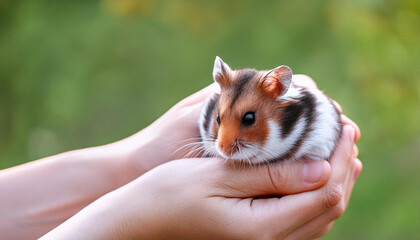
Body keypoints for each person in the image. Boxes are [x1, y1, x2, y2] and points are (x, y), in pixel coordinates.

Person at [0, 75, 361, 240]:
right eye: (221, 122)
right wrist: (138, 215)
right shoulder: (224, 127)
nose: (224, 143)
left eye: (247, 120)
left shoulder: (299, 117)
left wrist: (131, 163)